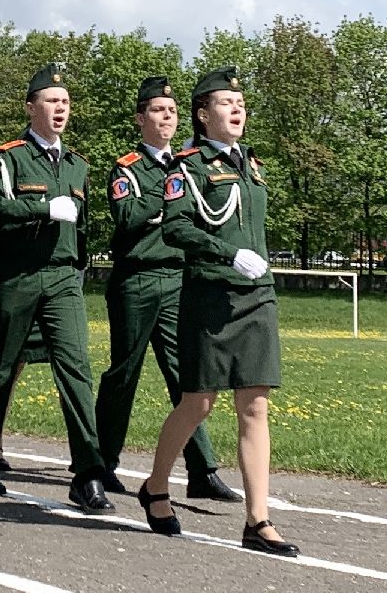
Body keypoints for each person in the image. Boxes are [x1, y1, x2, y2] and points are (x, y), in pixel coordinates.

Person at [138, 66, 299, 557]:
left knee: (255, 405)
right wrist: (227, 254)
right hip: (211, 296)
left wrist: (252, 264)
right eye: (227, 104)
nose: (237, 110)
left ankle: (258, 519)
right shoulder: (186, 167)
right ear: (204, 114)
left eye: (242, 104)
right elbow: (176, 229)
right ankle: (156, 486)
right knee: (199, 402)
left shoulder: (252, 164)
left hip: (256, 295)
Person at [0, 64, 113, 513]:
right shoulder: (10, 158)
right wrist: (43, 208)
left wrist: (78, 264)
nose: (60, 108)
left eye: (65, 102)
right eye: (51, 101)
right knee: (2, 369)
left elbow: (83, 229)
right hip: (17, 277)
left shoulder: (78, 164)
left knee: (75, 368)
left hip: (64, 278)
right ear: (31, 108)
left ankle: (88, 473)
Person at [94, 76, 237, 501]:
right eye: (158, 110)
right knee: (124, 374)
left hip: (177, 279)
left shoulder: (191, 163)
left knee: (188, 377)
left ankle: (202, 470)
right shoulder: (127, 168)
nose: (168, 117)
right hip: (138, 279)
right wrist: (170, 198)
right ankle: (103, 463)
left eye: (172, 111)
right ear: (141, 119)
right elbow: (128, 216)